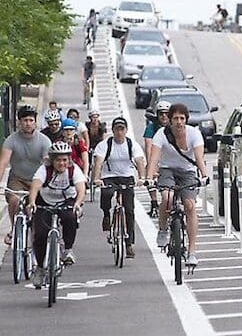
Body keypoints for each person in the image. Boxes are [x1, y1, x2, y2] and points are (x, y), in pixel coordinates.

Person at [145, 103, 209, 266]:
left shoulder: (194, 134)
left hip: (187, 171)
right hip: (167, 170)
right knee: (167, 196)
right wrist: (149, 177)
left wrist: (204, 175)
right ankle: (163, 229)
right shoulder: (161, 134)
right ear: (170, 120)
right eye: (175, 118)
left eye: (182, 118)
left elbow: (199, 159)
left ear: (186, 120)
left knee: (190, 206)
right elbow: (153, 159)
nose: (179, 122)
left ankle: (192, 251)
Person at [28, 141, 86, 288]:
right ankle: (40, 269)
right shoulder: (44, 170)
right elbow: (35, 186)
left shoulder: (73, 170)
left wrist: (78, 203)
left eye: (65, 160)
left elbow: (81, 189)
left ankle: (68, 250)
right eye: (58, 160)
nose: (62, 163)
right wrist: (32, 202)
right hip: (45, 202)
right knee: (40, 235)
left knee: (70, 217)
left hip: (66, 201)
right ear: (52, 160)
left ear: (69, 160)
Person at [93, 117, 146, 258]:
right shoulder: (105, 144)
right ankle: (106, 215)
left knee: (129, 210)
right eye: (117, 129)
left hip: (126, 176)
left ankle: (129, 244)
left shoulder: (131, 144)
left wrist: (142, 178)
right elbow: (98, 161)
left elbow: (139, 160)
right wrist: (97, 178)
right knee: (107, 194)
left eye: (122, 129)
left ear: (126, 130)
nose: (119, 132)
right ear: (113, 130)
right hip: (109, 176)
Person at [0, 105, 51, 245]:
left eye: (30, 120)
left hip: (37, 181)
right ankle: (13, 228)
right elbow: (3, 163)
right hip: (18, 179)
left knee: (36, 213)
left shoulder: (44, 141)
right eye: (24, 120)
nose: (28, 123)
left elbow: (48, 162)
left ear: (35, 122)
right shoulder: (11, 140)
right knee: (14, 200)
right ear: (19, 122)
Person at [143, 101, 171, 217]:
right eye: (161, 114)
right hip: (157, 156)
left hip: (171, 157)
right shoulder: (151, 127)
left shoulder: (174, 126)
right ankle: (154, 202)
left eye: (166, 113)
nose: (164, 116)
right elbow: (148, 147)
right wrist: (152, 166)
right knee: (149, 173)